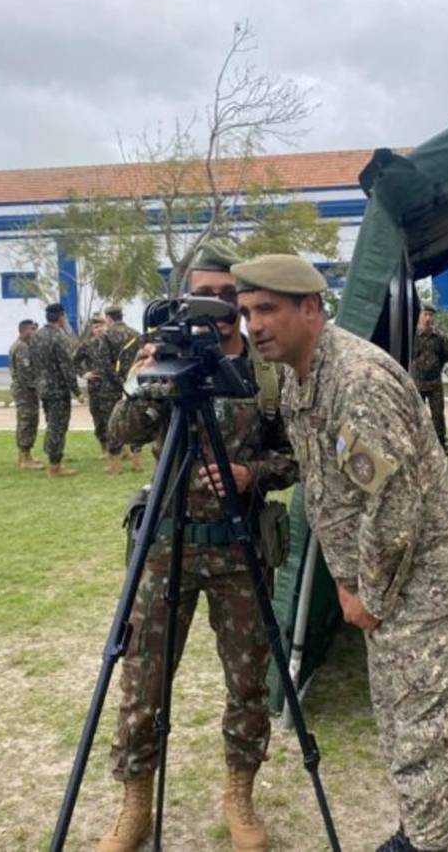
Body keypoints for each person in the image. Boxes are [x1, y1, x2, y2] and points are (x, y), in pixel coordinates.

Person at [233, 254, 448, 852]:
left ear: (311, 308)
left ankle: (420, 845)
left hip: (426, 589)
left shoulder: (357, 381)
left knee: (425, 733)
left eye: (267, 309)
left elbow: (393, 505)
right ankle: (417, 835)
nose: (254, 325)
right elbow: (333, 480)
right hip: (392, 590)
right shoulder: (301, 376)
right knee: (404, 728)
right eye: (246, 313)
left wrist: (364, 593)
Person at [96, 240, 297, 852]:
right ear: (186, 298)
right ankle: (135, 805)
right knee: (143, 681)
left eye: (226, 295)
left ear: (242, 299)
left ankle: (240, 795)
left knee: (248, 684)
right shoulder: (163, 359)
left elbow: (297, 457)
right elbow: (118, 435)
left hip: (240, 549)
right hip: (167, 547)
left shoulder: (267, 371)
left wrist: (251, 474)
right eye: (202, 295)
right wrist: (146, 381)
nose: (214, 306)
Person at [30, 302, 81, 478]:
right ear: (61, 317)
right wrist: (77, 391)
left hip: (43, 388)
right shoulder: (59, 337)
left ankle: (52, 460)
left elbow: (33, 362)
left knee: (51, 424)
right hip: (58, 389)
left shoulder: (36, 336)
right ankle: (55, 466)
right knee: (58, 427)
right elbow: (67, 366)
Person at [103, 303, 144, 472]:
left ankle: (115, 465)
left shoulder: (107, 336)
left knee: (115, 422)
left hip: (114, 387)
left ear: (108, 318)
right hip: (134, 383)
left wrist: (118, 382)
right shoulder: (136, 334)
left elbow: (105, 364)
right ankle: (137, 462)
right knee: (135, 419)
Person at [73, 315, 117, 467]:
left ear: (106, 326)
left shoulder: (112, 342)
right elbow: (74, 361)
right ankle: (104, 446)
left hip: (112, 387)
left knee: (113, 417)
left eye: (101, 326)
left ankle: (118, 448)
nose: (99, 329)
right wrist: (84, 374)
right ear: (92, 330)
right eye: (95, 327)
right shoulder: (87, 345)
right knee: (98, 417)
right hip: (95, 388)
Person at [411, 304, 448, 451]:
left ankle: (440, 444)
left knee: (438, 415)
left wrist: (436, 365)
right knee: (417, 415)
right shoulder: (413, 336)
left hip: (434, 383)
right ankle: (419, 444)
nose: (428, 318)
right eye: (425, 314)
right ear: (420, 316)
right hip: (417, 383)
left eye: (430, 315)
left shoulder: (439, 337)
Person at [8, 318, 44, 470]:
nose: (35, 332)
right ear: (25, 330)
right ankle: (25, 458)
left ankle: (24, 455)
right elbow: (25, 374)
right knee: (27, 422)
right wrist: (39, 387)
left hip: (25, 390)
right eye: (33, 329)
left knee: (25, 421)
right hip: (25, 391)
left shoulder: (22, 345)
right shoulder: (22, 348)